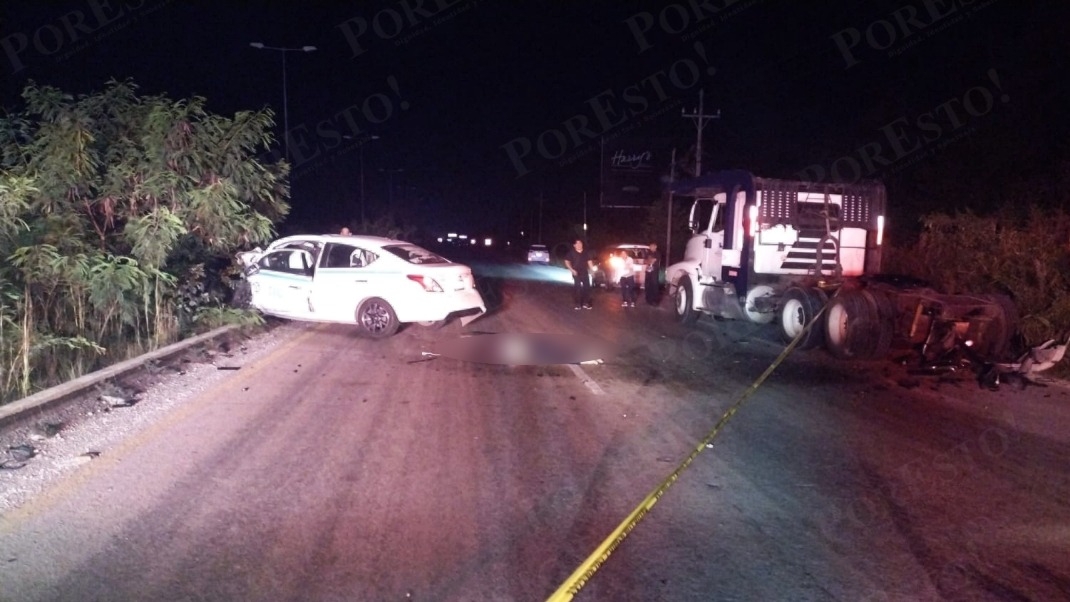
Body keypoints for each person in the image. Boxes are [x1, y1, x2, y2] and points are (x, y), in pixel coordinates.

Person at [564, 239, 595, 310]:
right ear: (574, 245)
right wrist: (571, 270)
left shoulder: (586, 252)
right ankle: (578, 304)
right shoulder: (571, 253)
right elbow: (566, 261)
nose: (579, 245)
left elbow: (589, 262)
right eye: (577, 244)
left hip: (584, 272)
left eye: (580, 243)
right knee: (578, 287)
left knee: (587, 287)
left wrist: (592, 271)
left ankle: (586, 303)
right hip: (576, 272)